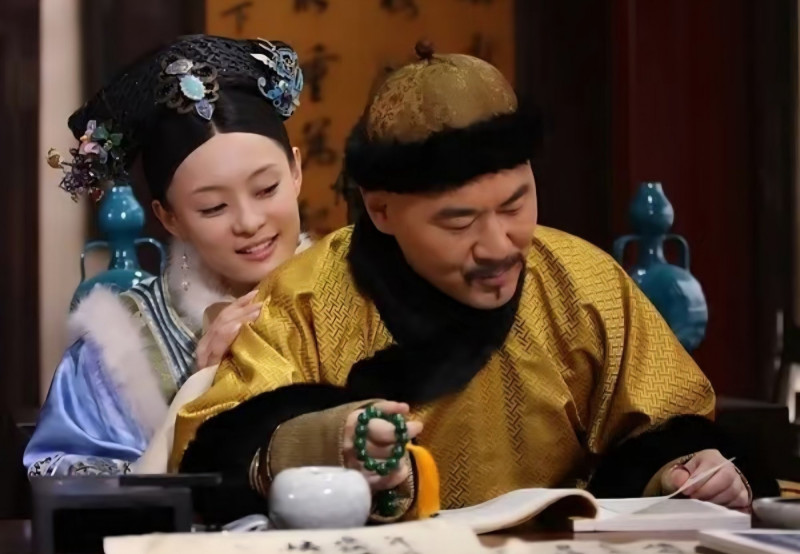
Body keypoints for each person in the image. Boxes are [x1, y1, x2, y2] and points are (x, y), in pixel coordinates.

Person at [170, 43, 777, 522]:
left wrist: (684, 472)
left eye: (516, 204)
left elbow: (667, 426)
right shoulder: (302, 301)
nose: (498, 244)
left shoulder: (585, 286)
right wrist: (320, 444)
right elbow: (213, 455)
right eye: (458, 221)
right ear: (381, 210)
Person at [24, 35, 309, 477]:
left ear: (296, 171)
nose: (249, 221)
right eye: (213, 207)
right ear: (169, 217)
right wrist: (200, 392)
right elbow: (62, 481)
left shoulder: (357, 295)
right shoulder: (117, 349)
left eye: (266, 188)